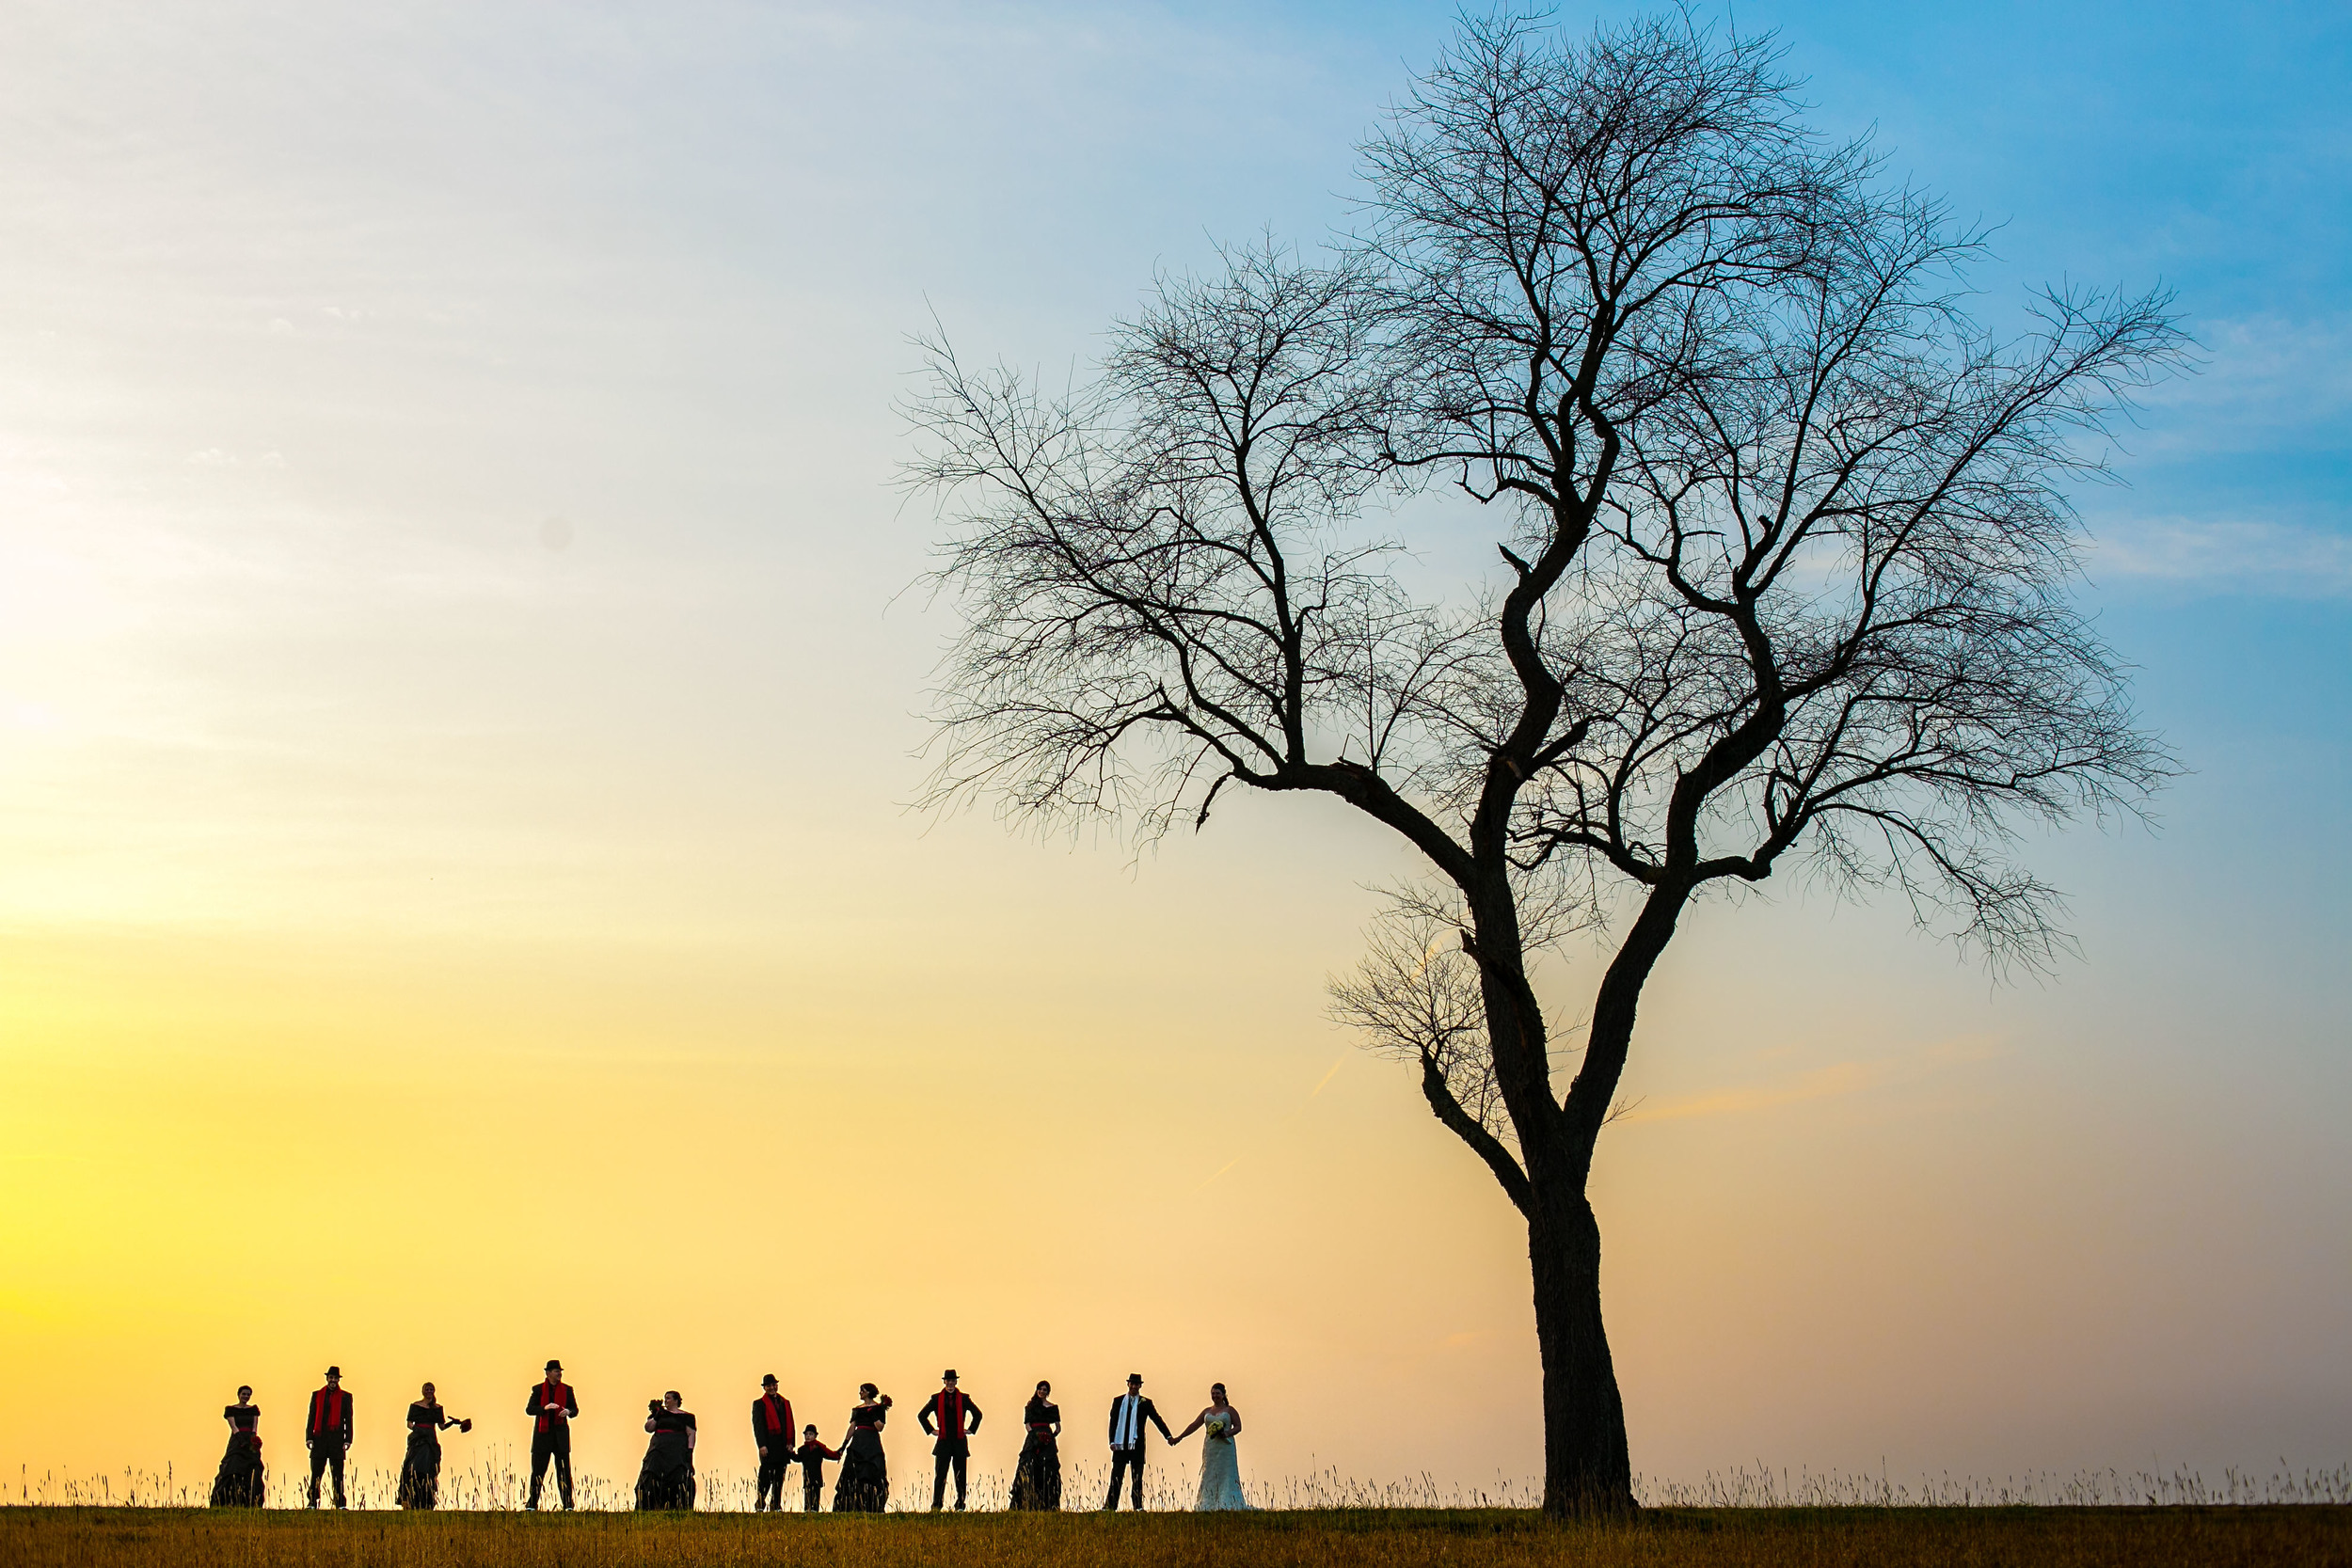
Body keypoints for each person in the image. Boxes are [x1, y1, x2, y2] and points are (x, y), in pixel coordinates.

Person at [1168, 1382, 1249, 1511]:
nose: (1215, 1396)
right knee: (1210, 1472)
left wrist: (1227, 1433)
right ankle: (1208, 1501)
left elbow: (1239, 1426)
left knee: (1226, 1472)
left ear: (1223, 1395)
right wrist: (1180, 1437)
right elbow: (1194, 1425)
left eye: (1217, 1393)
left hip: (1225, 1446)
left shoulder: (1230, 1410)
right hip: (1210, 1446)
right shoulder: (1207, 1411)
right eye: (1213, 1394)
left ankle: (1227, 1501)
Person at [1103, 1372, 1173, 1512]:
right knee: (1116, 1475)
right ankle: (1110, 1506)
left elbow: (1156, 1419)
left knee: (1137, 1477)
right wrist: (1111, 1441)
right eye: (1132, 1384)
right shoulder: (1118, 1401)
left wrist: (1168, 1436)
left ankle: (1138, 1506)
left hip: (1136, 1444)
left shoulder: (1145, 1403)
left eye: (1137, 1384)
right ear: (1128, 1384)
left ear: (1140, 1386)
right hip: (1120, 1444)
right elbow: (1113, 1422)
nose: (1134, 1386)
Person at [396, 1382, 471, 1510]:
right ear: (423, 1391)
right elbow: (409, 1424)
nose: (429, 1391)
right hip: (418, 1440)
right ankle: (410, 1498)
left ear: (434, 1391)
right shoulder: (415, 1406)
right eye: (427, 1389)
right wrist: (419, 1430)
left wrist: (453, 1423)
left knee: (428, 1470)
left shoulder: (437, 1408)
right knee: (412, 1467)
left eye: (431, 1389)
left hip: (430, 1440)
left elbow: (441, 1427)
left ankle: (425, 1500)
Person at [918, 1370, 983, 1512]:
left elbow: (978, 1414)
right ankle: (937, 1505)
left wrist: (971, 1429)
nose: (950, 1384)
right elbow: (922, 1415)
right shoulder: (936, 1399)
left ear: (956, 1382)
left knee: (960, 1476)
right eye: (948, 1381)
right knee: (940, 1475)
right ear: (944, 1382)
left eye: (953, 1381)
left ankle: (960, 1504)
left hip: (959, 1440)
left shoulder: (964, 1398)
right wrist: (931, 1430)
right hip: (943, 1441)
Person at [524, 1359, 579, 1512]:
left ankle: (568, 1504)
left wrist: (568, 1412)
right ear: (548, 1374)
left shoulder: (567, 1390)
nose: (559, 1374)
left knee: (564, 1471)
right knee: (538, 1471)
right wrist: (544, 1408)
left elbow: (575, 1409)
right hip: (543, 1436)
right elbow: (529, 1409)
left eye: (560, 1371)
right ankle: (532, 1504)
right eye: (556, 1371)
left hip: (560, 1436)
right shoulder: (538, 1390)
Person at [832, 1384, 891, 1513]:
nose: (860, 1393)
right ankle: (851, 1506)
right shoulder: (857, 1409)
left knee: (871, 1471)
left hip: (871, 1443)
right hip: (858, 1442)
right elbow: (852, 1427)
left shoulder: (879, 1408)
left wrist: (873, 1415)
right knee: (852, 1471)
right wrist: (844, 1445)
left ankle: (871, 1505)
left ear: (869, 1392)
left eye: (862, 1391)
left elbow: (879, 1428)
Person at [635, 1390, 697, 1510]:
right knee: (651, 1473)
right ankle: (650, 1505)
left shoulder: (687, 1417)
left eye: (668, 1398)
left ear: (676, 1400)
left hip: (676, 1451)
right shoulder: (659, 1414)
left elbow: (691, 1434)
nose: (666, 1401)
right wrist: (657, 1415)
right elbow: (648, 1428)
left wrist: (689, 1451)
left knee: (678, 1474)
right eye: (665, 1398)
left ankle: (677, 1505)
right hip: (658, 1450)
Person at [304, 1367, 354, 1510]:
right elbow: (311, 1417)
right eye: (331, 1378)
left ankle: (340, 1503)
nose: (333, 1380)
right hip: (319, 1437)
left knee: (337, 1473)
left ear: (338, 1380)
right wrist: (309, 1437)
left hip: (337, 1438)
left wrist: (348, 1439)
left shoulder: (345, 1397)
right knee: (316, 1473)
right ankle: (312, 1502)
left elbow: (348, 1419)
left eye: (335, 1378)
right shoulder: (317, 1395)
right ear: (327, 1379)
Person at [1008, 1379, 1060, 1511]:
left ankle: (1047, 1505)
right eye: (1040, 1389)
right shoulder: (1030, 1406)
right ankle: (1025, 1503)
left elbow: (1058, 1428)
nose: (1042, 1392)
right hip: (1032, 1440)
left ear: (1048, 1392)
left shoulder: (1053, 1407)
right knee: (1027, 1468)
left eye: (1045, 1390)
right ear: (1037, 1390)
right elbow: (1028, 1425)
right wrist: (1035, 1437)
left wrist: (1050, 1438)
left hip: (1048, 1441)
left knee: (1049, 1470)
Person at [208, 1386, 264, 1507]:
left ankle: (250, 1501)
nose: (246, 1396)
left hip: (250, 1440)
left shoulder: (253, 1410)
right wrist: (241, 1441)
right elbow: (234, 1427)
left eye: (248, 1394)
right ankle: (227, 1500)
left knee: (254, 1468)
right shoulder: (231, 1410)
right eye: (244, 1394)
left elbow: (254, 1427)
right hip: (237, 1441)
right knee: (232, 1467)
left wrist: (253, 1441)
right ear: (238, 1395)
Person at [751, 1374, 796, 1513]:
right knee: (765, 1476)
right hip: (769, 1445)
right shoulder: (759, 1404)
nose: (772, 1388)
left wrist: (791, 1443)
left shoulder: (785, 1403)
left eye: (774, 1385)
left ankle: (775, 1504)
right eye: (769, 1385)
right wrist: (762, 1445)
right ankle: (760, 1502)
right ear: (764, 1388)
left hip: (782, 1446)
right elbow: (758, 1427)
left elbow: (791, 1424)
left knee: (779, 1477)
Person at [794, 1424, 840, 1513]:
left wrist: (838, 1454)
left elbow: (829, 1454)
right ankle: (807, 1510)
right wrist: (790, 1453)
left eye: (810, 1434)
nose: (808, 1436)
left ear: (815, 1436)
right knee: (807, 1495)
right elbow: (797, 1459)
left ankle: (815, 1510)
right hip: (807, 1477)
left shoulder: (820, 1448)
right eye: (806, 1434)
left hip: (817, 1477)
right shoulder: (802, 1450)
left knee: (815, 1495)